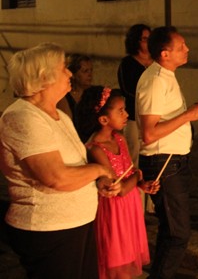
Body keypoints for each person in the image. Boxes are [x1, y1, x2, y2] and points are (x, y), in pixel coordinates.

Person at [0, 43, 119, 279]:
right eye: (63, 68)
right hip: (49, 229)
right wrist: (99, 170)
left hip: (76, 223)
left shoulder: (59, 116)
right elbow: (56, 177)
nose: (69, 73)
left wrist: (97, 182)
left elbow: (75, 165)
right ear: (44, 77)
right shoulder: (22, 117)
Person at [136, 26, 198, 279]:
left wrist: (188, 114)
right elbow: (149, 133)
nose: (187, 49)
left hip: (175, 161)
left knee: (173, 230)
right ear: (165, 54)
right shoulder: (155, 80)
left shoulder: (166, 76)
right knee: (177, 233)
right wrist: (188, 115)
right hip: (163, 162)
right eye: (181, 47)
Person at [76, 86, 160, 279]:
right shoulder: (95, 149)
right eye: (121, 111)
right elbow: (119, 188)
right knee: (116, 261)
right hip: (113, 212)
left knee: (128, 254)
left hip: (129, 206)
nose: (127, 114)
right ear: (104, 120)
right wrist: (136, 176)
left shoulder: (119, 139)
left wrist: (141, 184)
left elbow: (129, 173)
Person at [118, 23, 153, 166]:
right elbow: (126, 89)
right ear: (136, 41)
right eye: (145, 39)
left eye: (150, 38)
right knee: (134, 152)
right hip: (134, 115)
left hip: (153, 115)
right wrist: (145, 98)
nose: (148, 42)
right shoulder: (128, 63)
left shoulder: (157, 62)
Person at [57, 53, 93, 132]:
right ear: (73, 74)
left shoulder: (94, 94)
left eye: (91, 70)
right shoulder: (64, 96)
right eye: (85, 71)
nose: (90, 75)